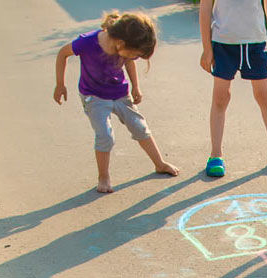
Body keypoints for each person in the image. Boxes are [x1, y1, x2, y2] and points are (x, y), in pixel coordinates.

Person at [54, 12, 179, 193]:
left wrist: (136, 86)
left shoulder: (125, 45)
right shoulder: (87, 42)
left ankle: (159, 163)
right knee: (105, 135)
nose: (135, 57)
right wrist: (60, 84)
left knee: (140, 127)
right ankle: (103, 176)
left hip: (119, 93)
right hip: (93, 96)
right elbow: (62, 54)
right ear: (121, 43)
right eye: (135, 54)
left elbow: (129, 62)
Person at [199, 0, 267, 177]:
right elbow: (205, 8)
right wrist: (207, 48)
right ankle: (216, 155)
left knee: (264, 95)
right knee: (220, 97)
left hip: (255, 43)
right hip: (222, 44)